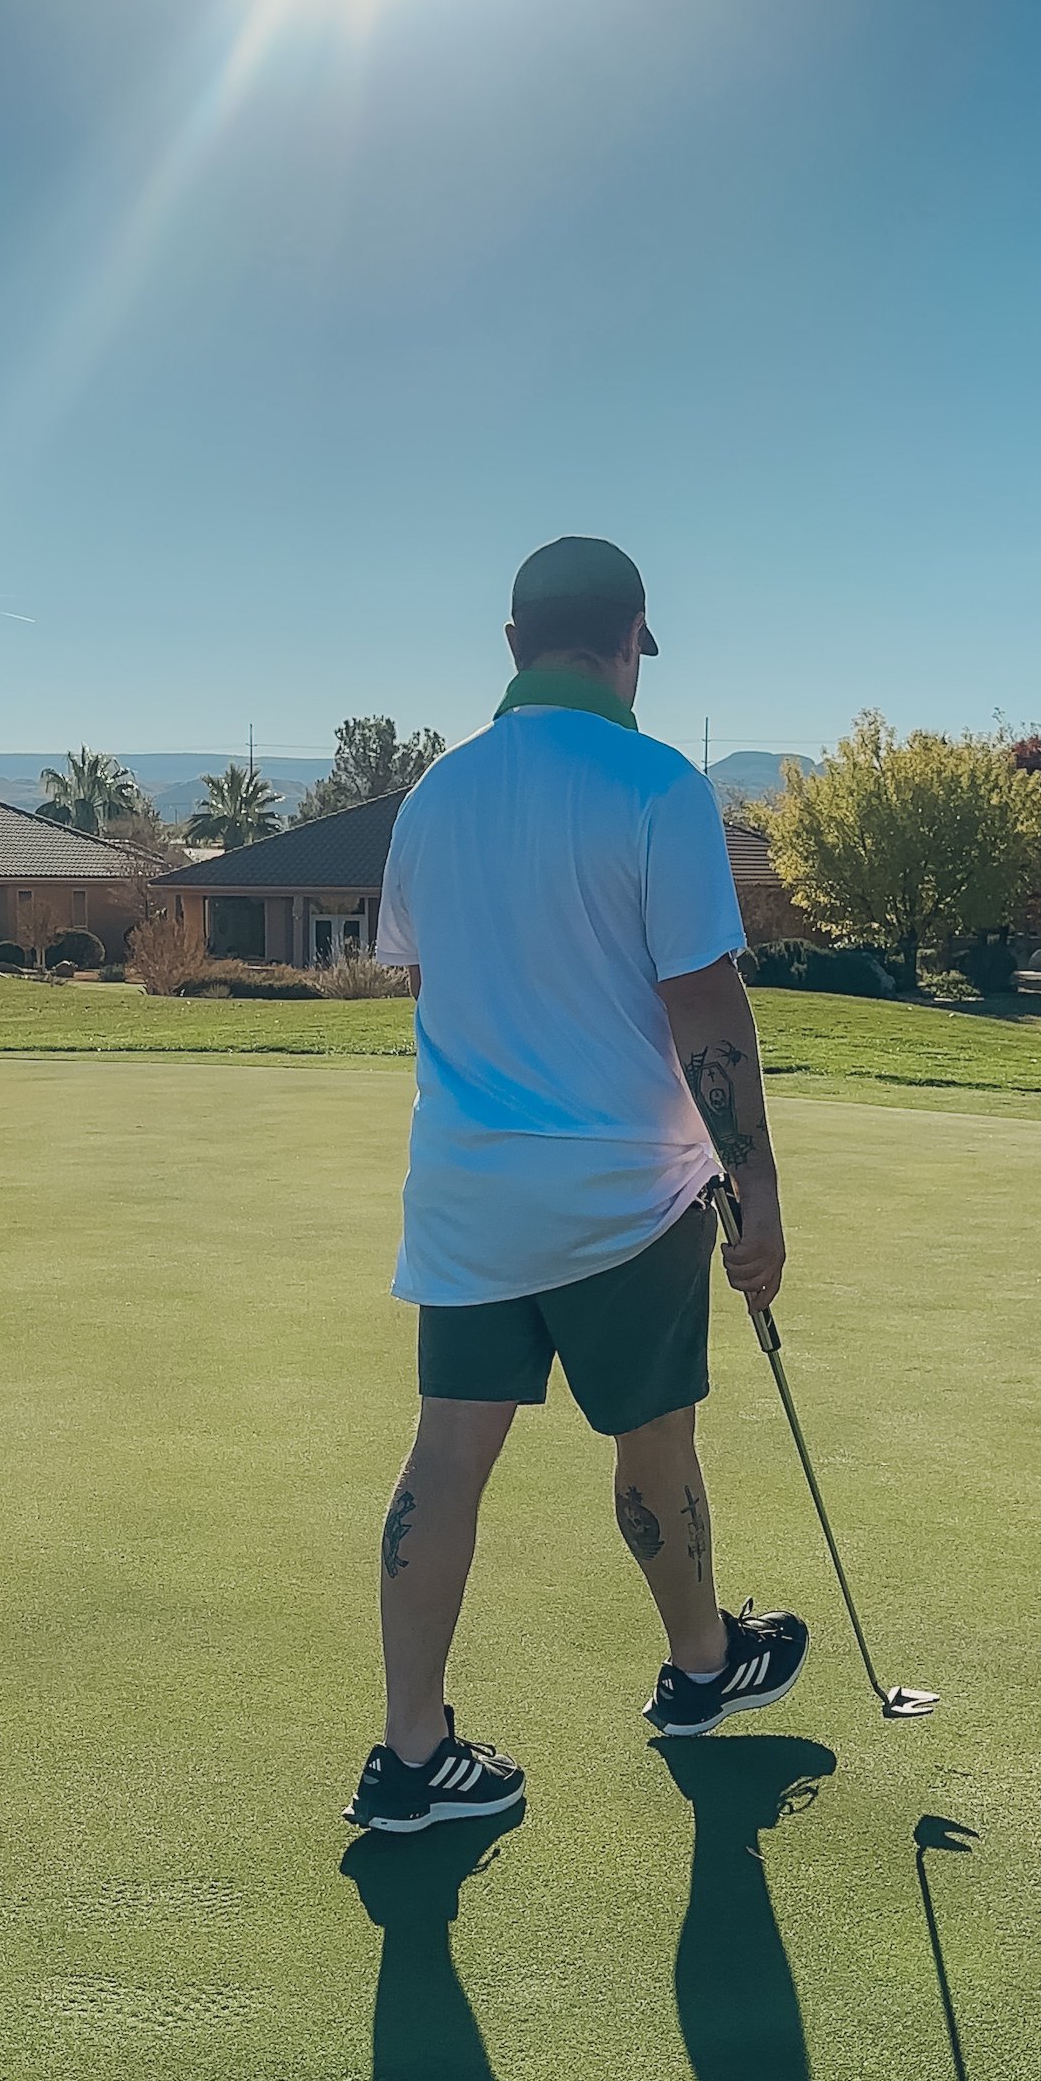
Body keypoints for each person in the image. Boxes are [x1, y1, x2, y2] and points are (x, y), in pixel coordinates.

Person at [344, 536, 807, 1834]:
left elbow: (432, 991)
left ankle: (411, 1755)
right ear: (629, 642)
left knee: (448, 1453)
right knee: (654, 1443)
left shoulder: (433, 795)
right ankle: (704, 1666)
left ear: (511, 645)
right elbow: (706, 1003)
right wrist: (752, 1182)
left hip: (467, 1189)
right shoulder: (657, 786)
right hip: (622, 1198)